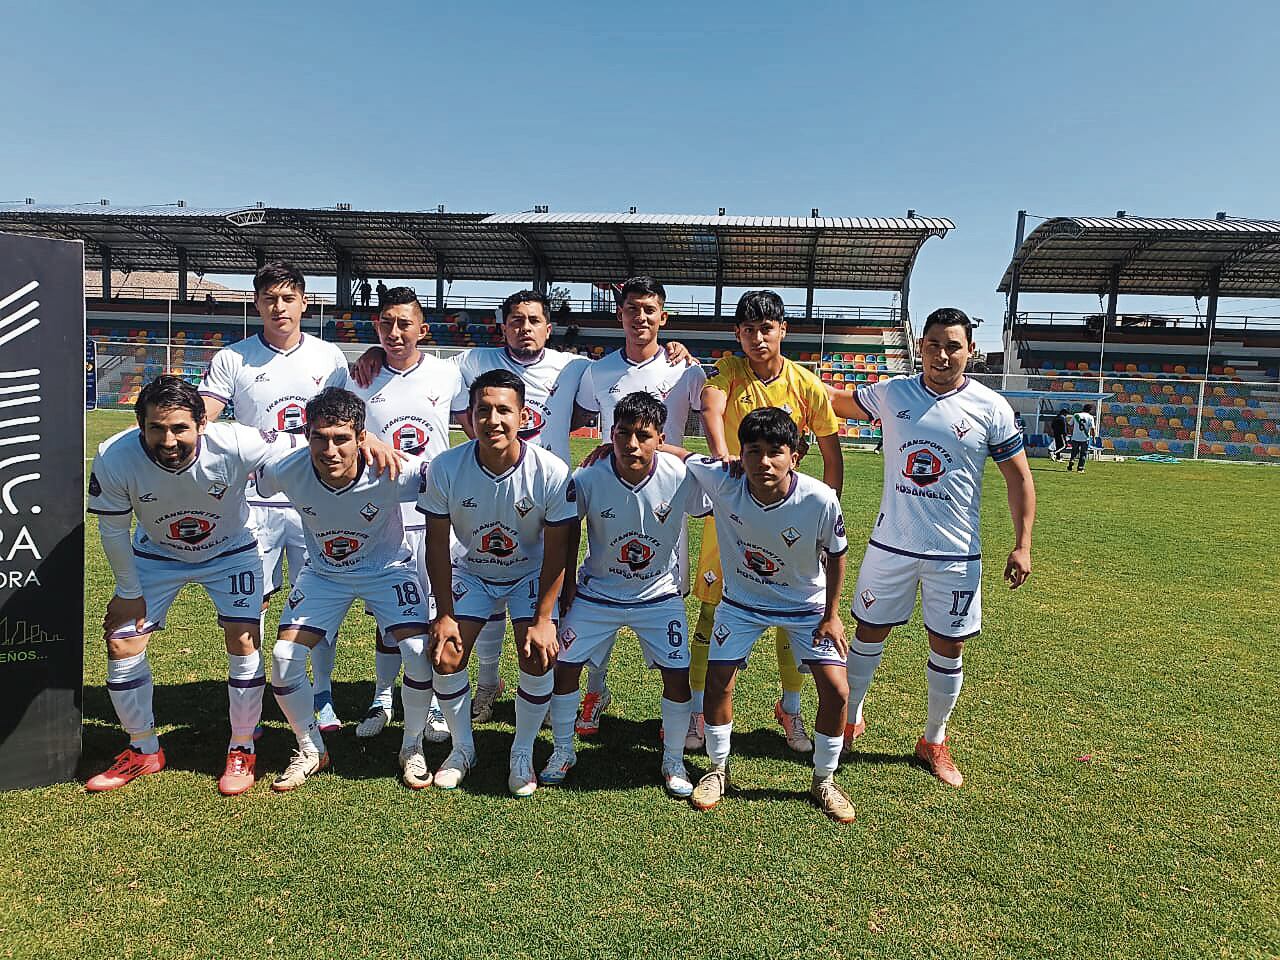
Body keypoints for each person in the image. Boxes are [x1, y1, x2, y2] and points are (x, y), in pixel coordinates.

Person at [353, 289, 693, 725]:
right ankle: (489, 684)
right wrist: (373, 352)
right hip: (484, 487)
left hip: (548, 492)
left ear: (548, 328)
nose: (524, 328)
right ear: (503, 325)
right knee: (488, 583)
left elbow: (596, 411)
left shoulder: (574, 367)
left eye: (533, 320)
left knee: (567, 587)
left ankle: (582, 690)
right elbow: (410, 358)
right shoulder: (473, 363)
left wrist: (671, 348)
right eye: (516, 320)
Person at [826, 307, 1036, 787]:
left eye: (953, 345)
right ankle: (850, 718)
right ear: (920, 345)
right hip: (891, 547)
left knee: (949, 645)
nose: (942, 354)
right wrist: (774, 362)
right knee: (867, 633)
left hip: (956, 555)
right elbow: (833, 400)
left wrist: (1022, 545)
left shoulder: (991, 407)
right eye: (934, 343)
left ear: (971, 351)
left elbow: (1019, 478)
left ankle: (933, 739)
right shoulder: (893, 392)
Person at [85, 376, 299, 795]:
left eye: (179, 428)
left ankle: (242, 746)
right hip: (156, 556)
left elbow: (306, 443)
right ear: (140, 424)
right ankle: (144, 750)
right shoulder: (114, 456)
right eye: (156, 428)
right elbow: (112, 531)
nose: (168, 440)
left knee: (243, 640)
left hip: (231, 551)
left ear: (202, 422)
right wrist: (129, 593)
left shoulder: (237, 441)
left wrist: (371, 445)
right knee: (122, 641)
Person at [198, 261, 355, 735]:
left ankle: (321, 691)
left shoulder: (330, 358)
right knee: (253, 602)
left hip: (316, 499)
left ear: (304, 302)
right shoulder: (233, 358)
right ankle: (257, 693)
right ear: (257, 303)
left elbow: (346, 421)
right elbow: (205, 414)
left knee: (320, 600)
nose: (279, 307)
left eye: (288, 298)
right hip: (256, 503)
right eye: (270, 298)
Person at [676, 408, 855, 822]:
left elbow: (838, 553)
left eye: (775, 451)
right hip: (741, 605)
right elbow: (677, 453)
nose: (763, 462)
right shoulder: (725, 480)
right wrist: (606, 448)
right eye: (752, 451)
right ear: (740, 454)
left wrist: (831, 615)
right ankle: (718, 770)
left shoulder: (819, 498)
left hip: (805, 605)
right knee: (719, 681)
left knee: (837, 691)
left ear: (797, 454)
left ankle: (825, 779)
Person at [689, 290, 843, 756]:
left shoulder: (807, 385)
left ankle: (790, 707)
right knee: (714, 609)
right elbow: (712, 407)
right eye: (749, 330)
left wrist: (823, 515)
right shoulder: (730, 371)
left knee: (792, 614)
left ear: (783, 331)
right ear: (738, 334)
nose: (758, 338)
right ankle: (699, 708)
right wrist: (721, 455)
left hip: (792, 518)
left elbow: (831, 456)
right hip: (734, 515)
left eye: (767, 329)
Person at [255, 388, 429, 791]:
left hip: (386, 569)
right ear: (306, 436)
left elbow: (451, 474)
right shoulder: (288, 469)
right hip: (325, 573)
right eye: (319, 437)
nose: (329, 449)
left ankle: (412, 746)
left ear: (361, 438)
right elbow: (255, 477)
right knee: (283, 658)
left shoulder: (392, 469)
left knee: (419, 654)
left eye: (341, 438)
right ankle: (310, 747)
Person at [542, 391, 711, 796]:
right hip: (598, 593)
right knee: (565, 666)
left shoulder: (680, 475)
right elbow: (567, 530)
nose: (632, 444)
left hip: (658, 596)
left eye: (644, 435)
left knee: (676, 673)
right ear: (610, 434)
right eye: (623, 434)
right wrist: (567, 585)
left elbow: (711, 500)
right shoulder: (588, 477)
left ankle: (672, 759)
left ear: (659, 438)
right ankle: (563, 750)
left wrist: (676, 451)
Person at [418, 369, 577, 796]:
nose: (493, 420)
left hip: (529, 573)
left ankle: (521, 750)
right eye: (482, 410)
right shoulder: (446, 467)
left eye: (504, 410)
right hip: (474, 572)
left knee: (539, 653)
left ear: (523, 416)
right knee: (446, 655)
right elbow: (436, 546)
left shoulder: (550, 470)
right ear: (468, 417)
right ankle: (462, 748)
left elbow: (559, 551)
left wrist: (545, 617)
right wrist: (446, 613)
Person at [569, 275, 707, 737]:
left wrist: (674, 456)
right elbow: (590, 417)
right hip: (612, 487)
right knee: (602, 583)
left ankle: (685, 711)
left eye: (650, 310)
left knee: (663, 592)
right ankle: (595, 689)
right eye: (632, 309)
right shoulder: (599, 370)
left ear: (663, 317)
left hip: (666, 490)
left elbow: (707, 423)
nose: (640, 318)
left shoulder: (686, 370)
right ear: (621, 315)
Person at [346, 286, 464, 744]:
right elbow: (336, 424)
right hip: (382, 513)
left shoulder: (448, 373)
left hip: (435, 512)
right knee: (389, 613)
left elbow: (472, 420)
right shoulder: (358, 377)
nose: (394, 333)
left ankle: (434, 702)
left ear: (423, 329)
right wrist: (364, 438)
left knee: (438, 610)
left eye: (404, 324)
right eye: (386, 324)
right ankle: (382, 696)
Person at [1068, 403, 1097, 472]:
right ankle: (1080, 468)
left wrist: (1071, 433)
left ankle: (1072, 460)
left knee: (1074, 451)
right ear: (1090, 410)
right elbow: (1093, 428)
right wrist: (1094, 438)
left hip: (1075, 437)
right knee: (1083, 453)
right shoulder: (1090, 417)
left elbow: (1069, 425)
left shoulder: (1076, 415)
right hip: (1085, 438)